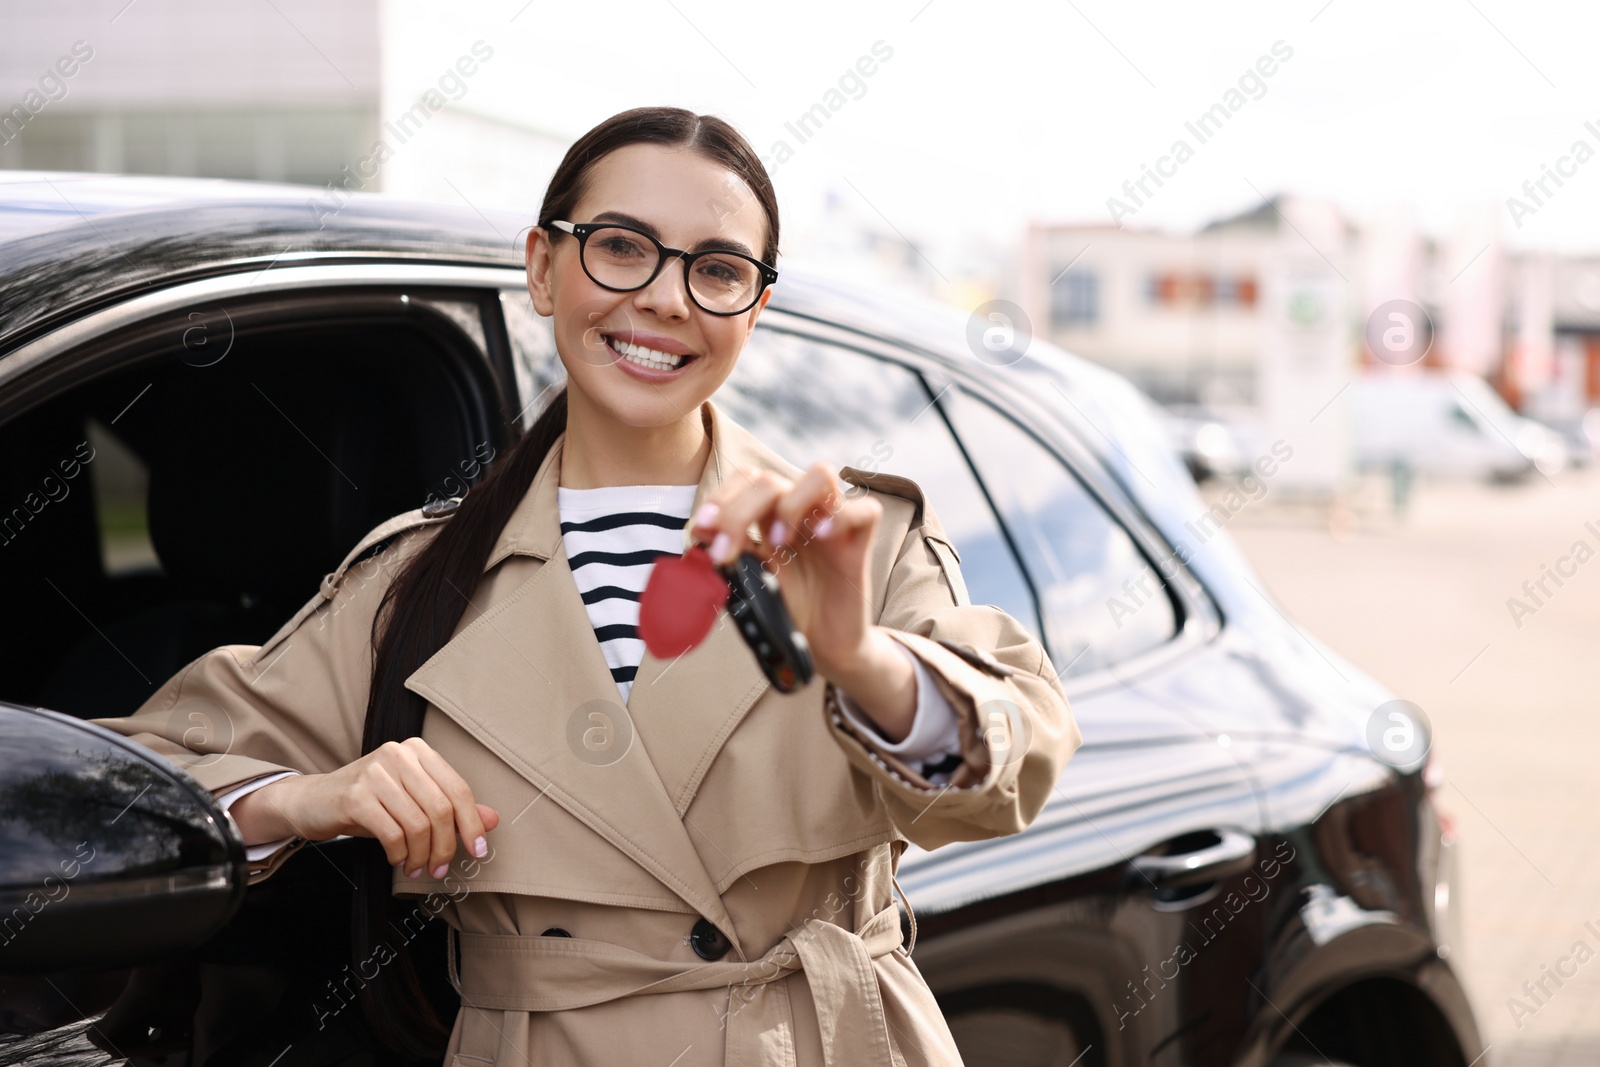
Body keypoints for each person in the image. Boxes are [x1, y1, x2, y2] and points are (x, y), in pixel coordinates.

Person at [93, 105, 1080, 1067]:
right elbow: (132, 789)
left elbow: (1016, 762)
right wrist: (316, 795)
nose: (664, 297)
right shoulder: (417, 581)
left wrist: (860, 660)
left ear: (755, 307)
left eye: (718, 269)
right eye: (620, 246)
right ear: (542, 266)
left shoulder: (849, 538)